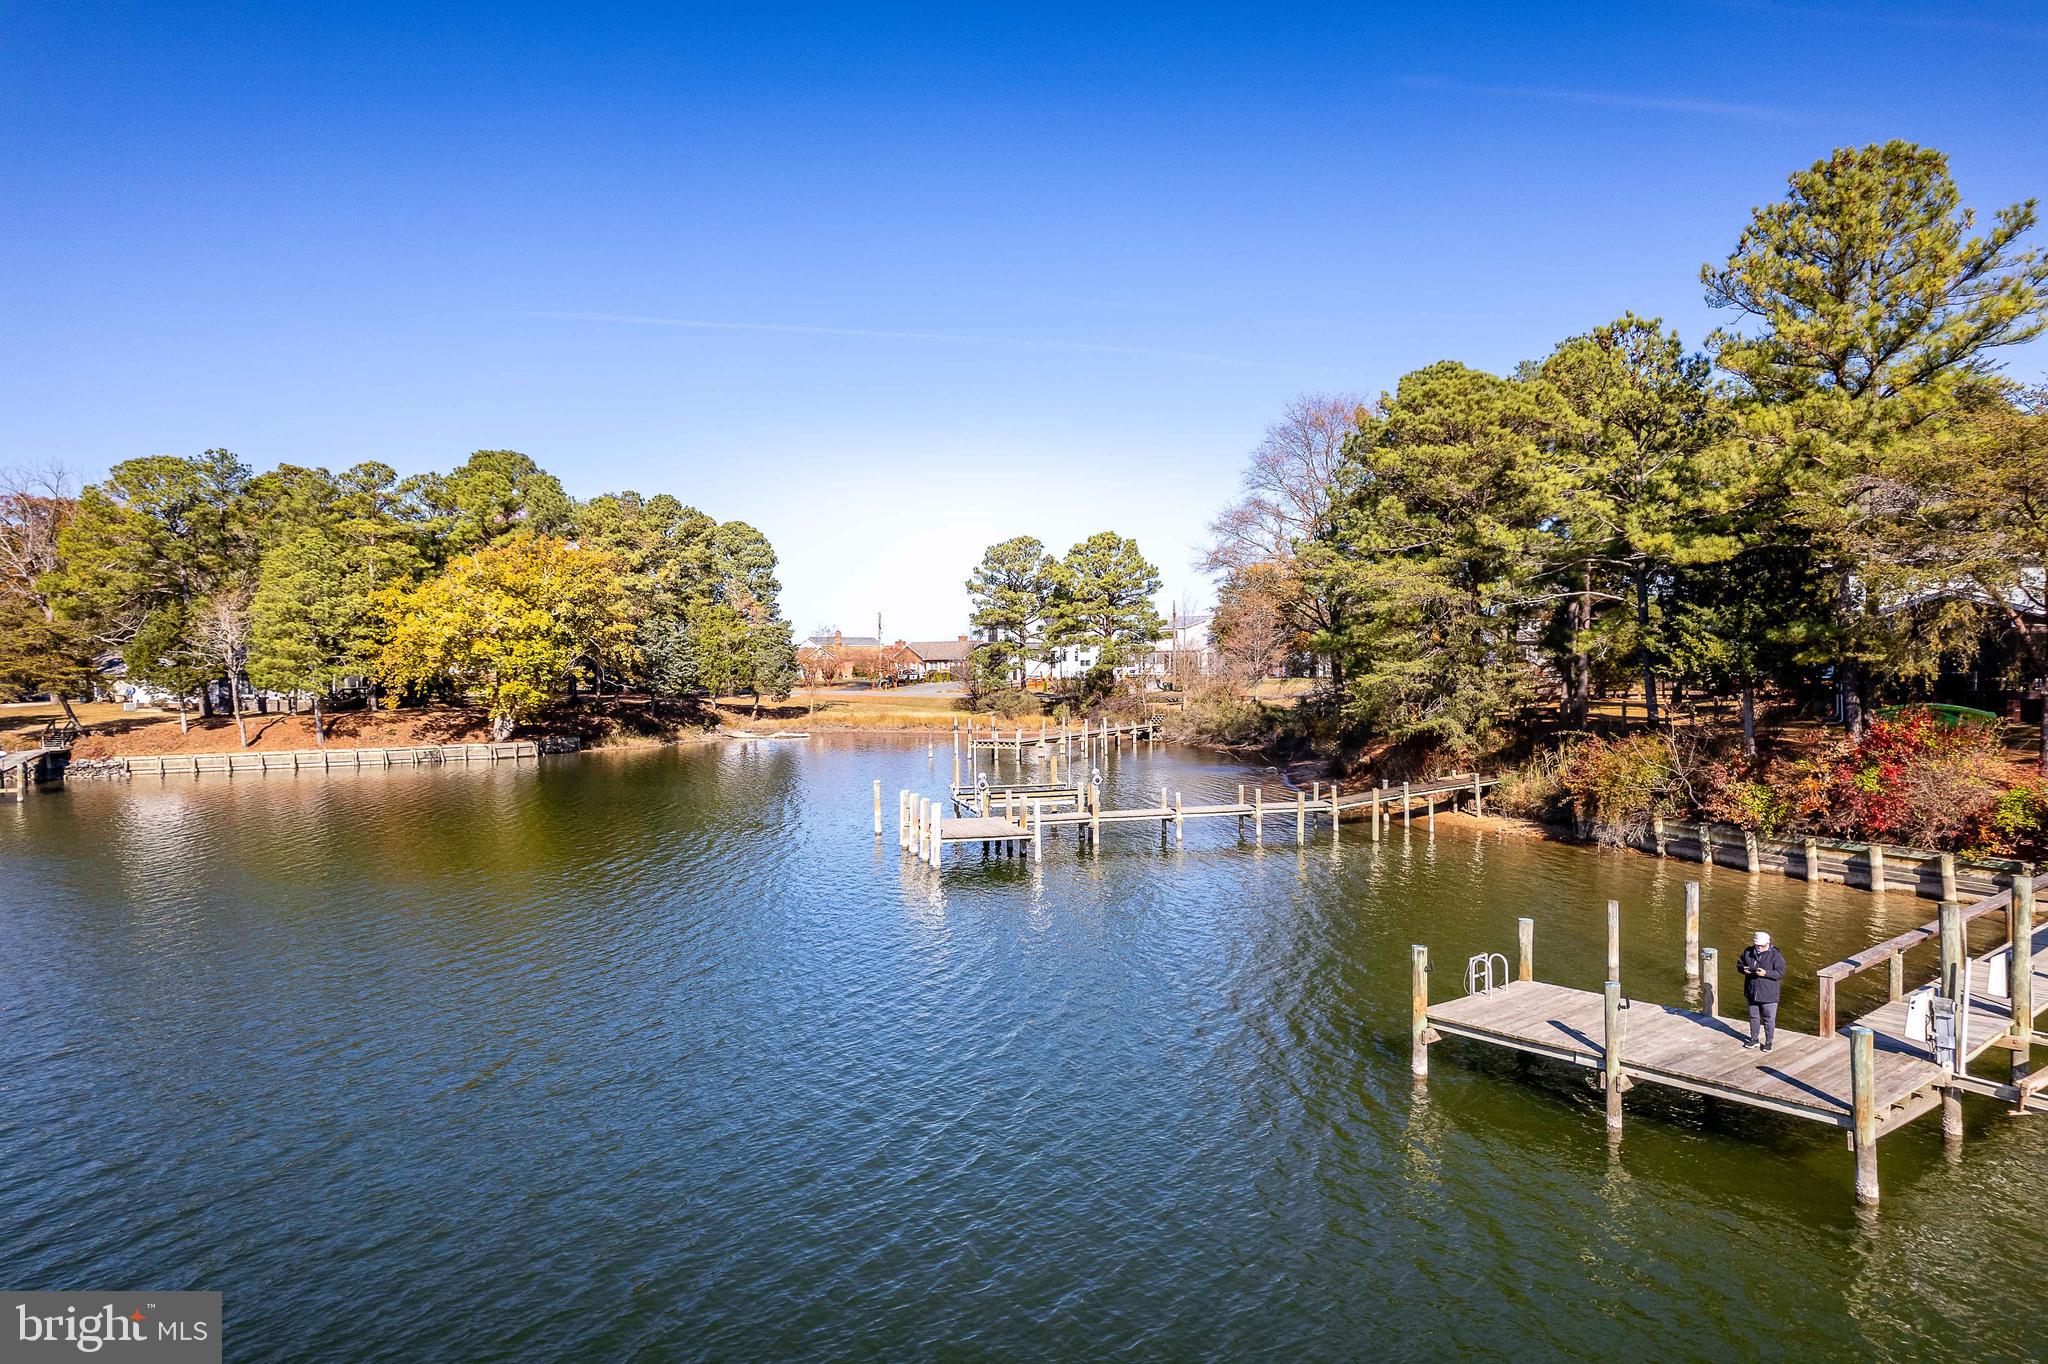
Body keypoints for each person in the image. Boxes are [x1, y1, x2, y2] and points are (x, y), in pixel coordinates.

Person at [1738, 930, 1786, 1052]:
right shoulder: (1748, 951)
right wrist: (1743, 969)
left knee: (1769, 1019)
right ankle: (1754, 1039)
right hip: (1752, 991)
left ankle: (1768, 1042)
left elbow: (1780, 972)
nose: (1759, 948)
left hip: (1769, 993)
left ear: (1768, 943)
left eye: (1762, 946)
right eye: (1757, 945)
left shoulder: (1775, 955)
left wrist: (1766, 973)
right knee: (1753, 1017)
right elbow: (1739, 964)